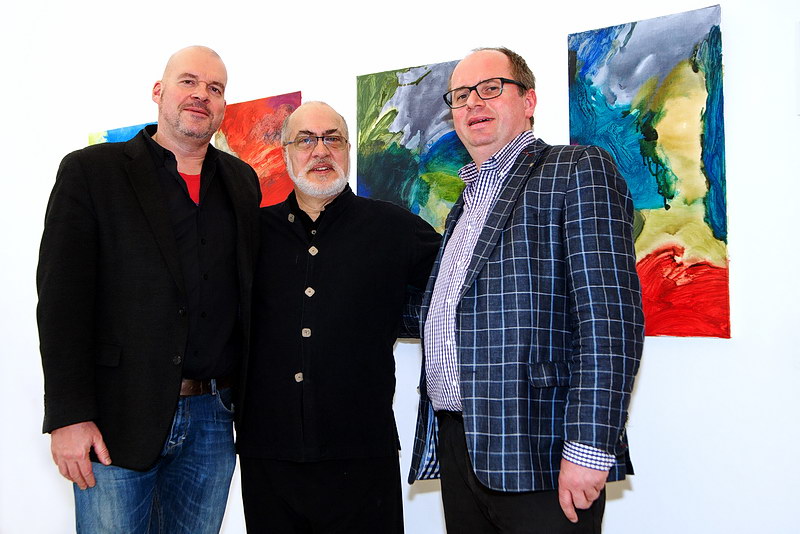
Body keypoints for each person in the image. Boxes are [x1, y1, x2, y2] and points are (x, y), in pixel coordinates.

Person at [408, 47, 645, 533]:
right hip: (459, 445)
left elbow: (610, 320)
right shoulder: (465, 203)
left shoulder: (577, 169)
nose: (473, 103)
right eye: (460, 95)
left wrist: (589, 447)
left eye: (490, 88)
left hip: (540, 449)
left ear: (529, 100)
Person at [37, 46, 261, 533]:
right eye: (188, 81)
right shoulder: (92, 172)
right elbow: (61, 303)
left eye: (215, 88)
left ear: (224, 107)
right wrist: (68, 416)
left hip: (213, 418)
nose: (201, 94)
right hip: (115, 416)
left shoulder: (243, 182)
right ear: (159, 91)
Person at [236, 101, 441, 533]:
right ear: (285, 153)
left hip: (362, 454)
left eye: (332, 139)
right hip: (268, 456)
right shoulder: (249, 233)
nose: (320, 150)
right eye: (305, 140)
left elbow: (458, 287)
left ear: (348, 149)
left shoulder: (394, 227)